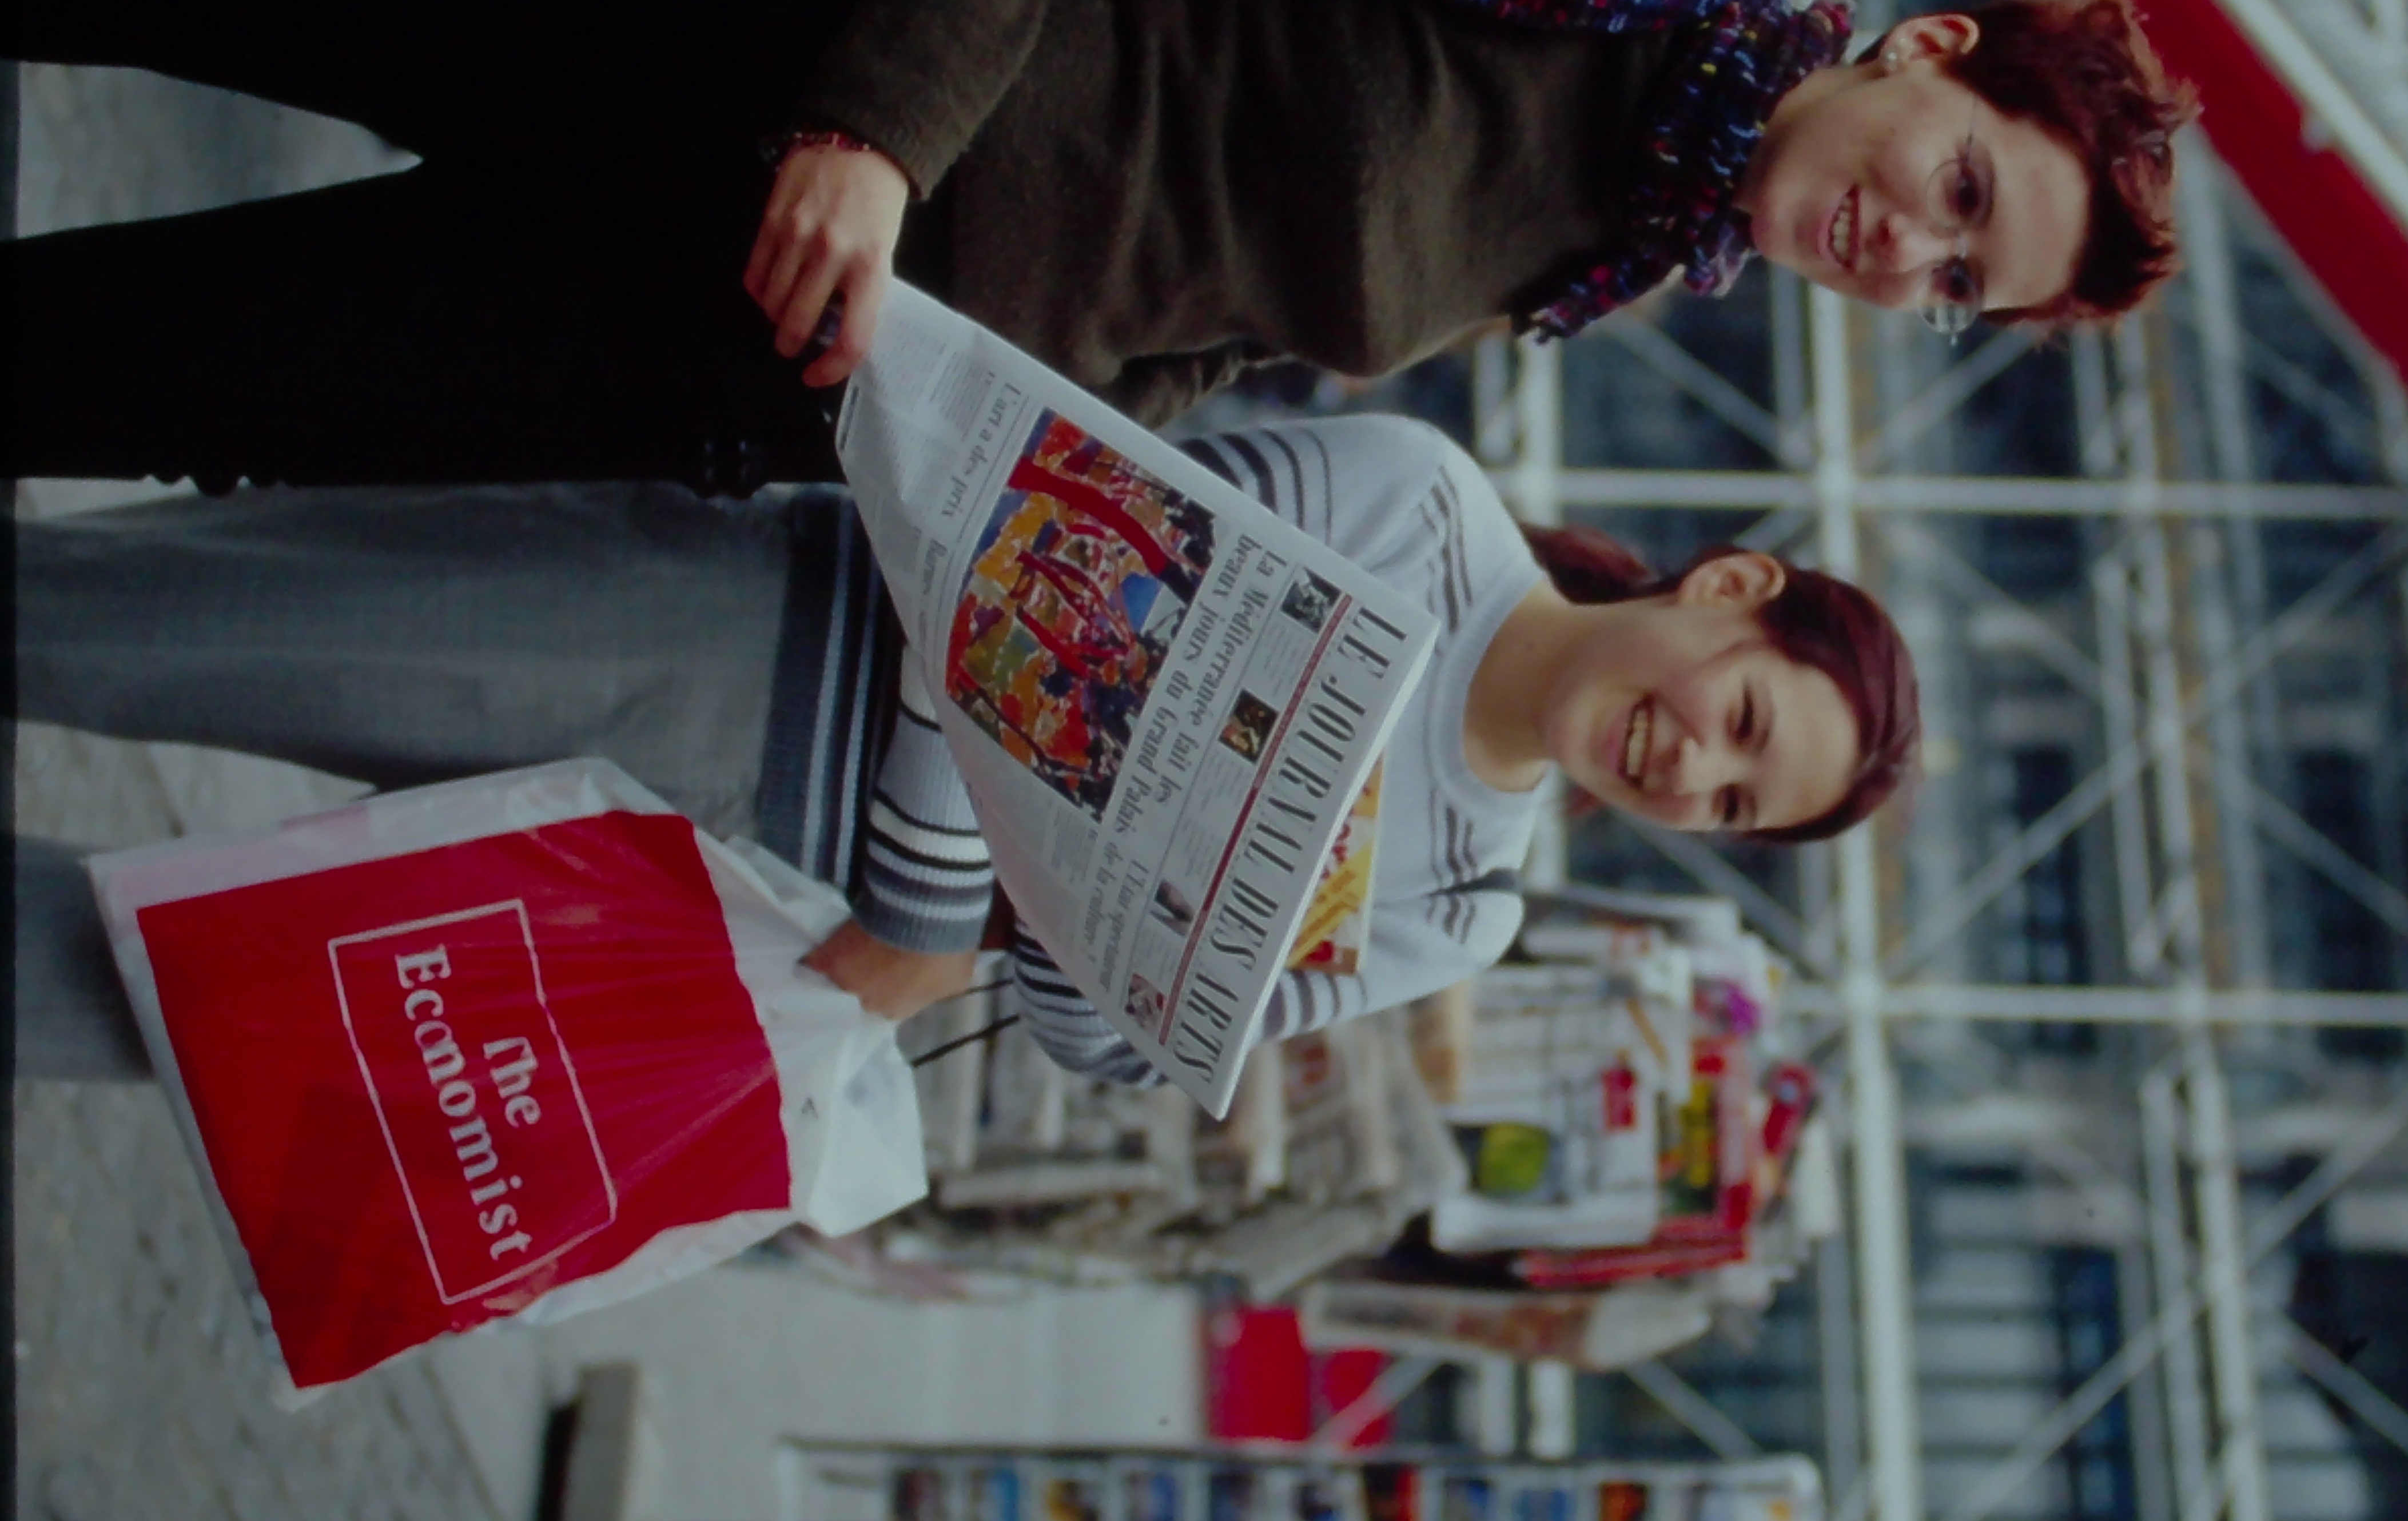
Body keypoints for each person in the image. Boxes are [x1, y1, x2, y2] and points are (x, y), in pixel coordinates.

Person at [3, 0, 2191, 493]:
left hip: (752, 337)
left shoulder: (1607, 260)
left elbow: (1199, 331)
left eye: (1952, 289)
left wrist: (964, 443)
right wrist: (879, 126)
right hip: (755, 32)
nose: (1905, 255)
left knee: (111, 372)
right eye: (1962, 192)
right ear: (1925, 54)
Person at [11, 415, 1920, 1086]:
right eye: (1743, 718)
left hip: (753, 939)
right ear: (1725, 586)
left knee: (188, 1008)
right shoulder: (1407, 510)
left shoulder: (1461, 911)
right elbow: (1004, 563)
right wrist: (970, 889)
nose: (1689, 768)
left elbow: (1110, 1034)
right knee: (171, 624)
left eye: (1739, 805)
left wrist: (1127, 921)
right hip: (730, 650)